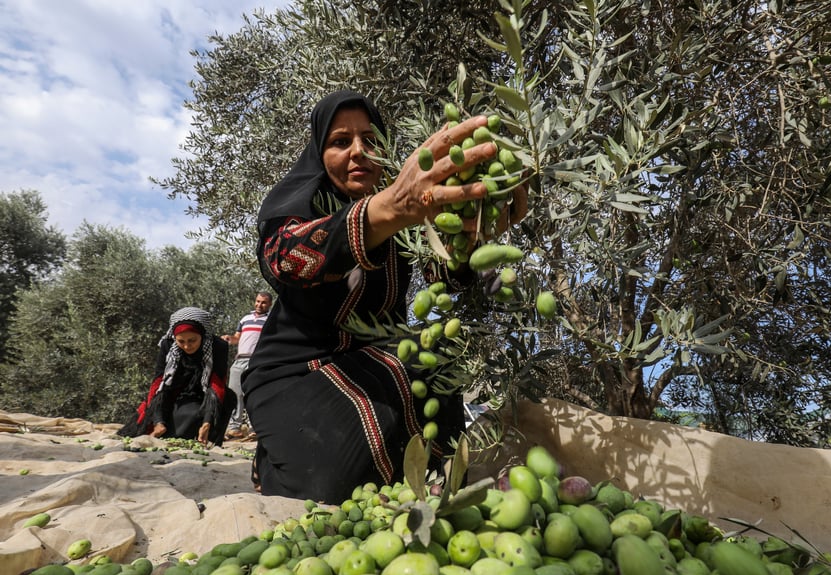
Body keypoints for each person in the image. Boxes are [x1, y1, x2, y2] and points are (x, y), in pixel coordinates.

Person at [243, 90, 526, 503]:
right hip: (295, 375)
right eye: (341, 142)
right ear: (319, 153)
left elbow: (446, 278)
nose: (358, 152)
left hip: (372, 364)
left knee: (440, 354)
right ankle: (273, 455)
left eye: (370, 140)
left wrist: (473, 239)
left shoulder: (410, 220)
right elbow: (283, 259)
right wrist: (389, 208)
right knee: (328, 491)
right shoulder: (307, 202)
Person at [118, 307, 232, 446]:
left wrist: (207, 422)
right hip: (175, 394)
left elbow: (216, 384)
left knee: (229, 397)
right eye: (181, 341)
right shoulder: (168, 345)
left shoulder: (219, 346)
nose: (187, 346)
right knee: (183, 417)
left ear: (202, 335)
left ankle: (209, 436)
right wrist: (158, 421)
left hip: (205, 395)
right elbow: (160, 383)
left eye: (192, 340)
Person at [221, 291, 273, 440]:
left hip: (257, 361)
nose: (259, 305)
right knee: (234, 393)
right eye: (257, 301)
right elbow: (237, 337)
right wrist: (228, 338)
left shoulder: (270, 321)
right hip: (239, 360)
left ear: (269, 304)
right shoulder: (245, 319)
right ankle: (234, 428)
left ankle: (254, 428)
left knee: (254, 394)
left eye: (263, 302)